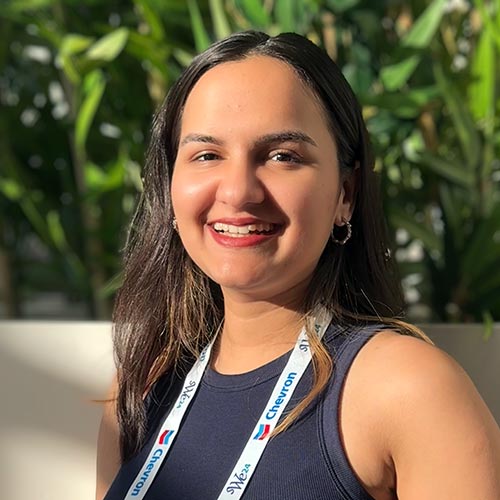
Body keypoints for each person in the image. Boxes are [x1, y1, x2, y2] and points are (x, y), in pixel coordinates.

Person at [96, 31, 500, 500]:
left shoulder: (408, 390)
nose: (238, 191)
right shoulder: (141, 385)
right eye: (207, 155)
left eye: (282, 156)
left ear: (345, 194)